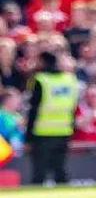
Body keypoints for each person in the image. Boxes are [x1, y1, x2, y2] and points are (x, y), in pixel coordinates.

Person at [25, 51, 79, 185]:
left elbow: (34, 109)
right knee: (60, 171)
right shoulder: (70, 80)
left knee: (39, 172)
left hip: (42, 131)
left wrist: (28, 135)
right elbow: (73, 107)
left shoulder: (41, 80)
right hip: (64, 130)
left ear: (42, 62)